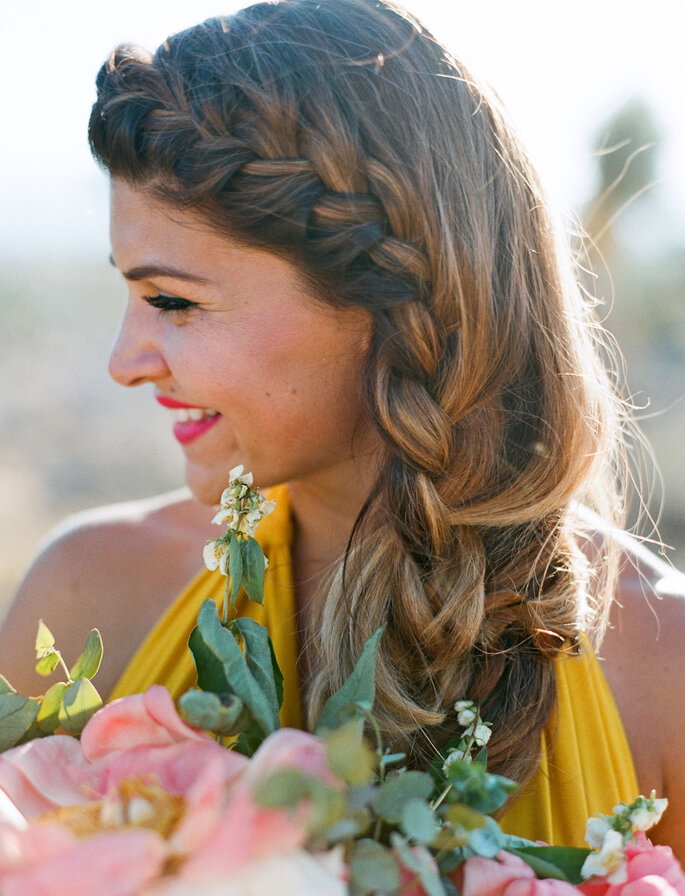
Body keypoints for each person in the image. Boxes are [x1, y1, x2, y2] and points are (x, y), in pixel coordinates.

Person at [1, 0, 684, 853]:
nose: (126, 360)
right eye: (130, 294)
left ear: (387, 300)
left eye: (173, 301)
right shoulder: (88, 595)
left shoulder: (663, 667)